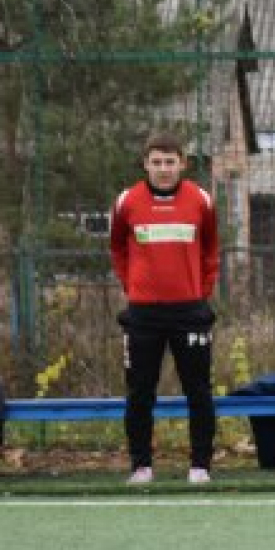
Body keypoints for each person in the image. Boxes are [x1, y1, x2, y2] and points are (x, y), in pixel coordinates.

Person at [109, 131, 221, 485]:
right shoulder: (127, 201)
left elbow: (211, 250)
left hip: (190, 313)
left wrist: (199, 292)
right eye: (156, 162)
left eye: (170, 162)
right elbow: (118, 250)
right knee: (140, 393)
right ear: (145, 164)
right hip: (143, 315)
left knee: (198, 391)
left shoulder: (200, 199)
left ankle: (200, 466)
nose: (163, 169)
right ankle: (141, 466)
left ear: (182, 164)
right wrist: (134, 288)